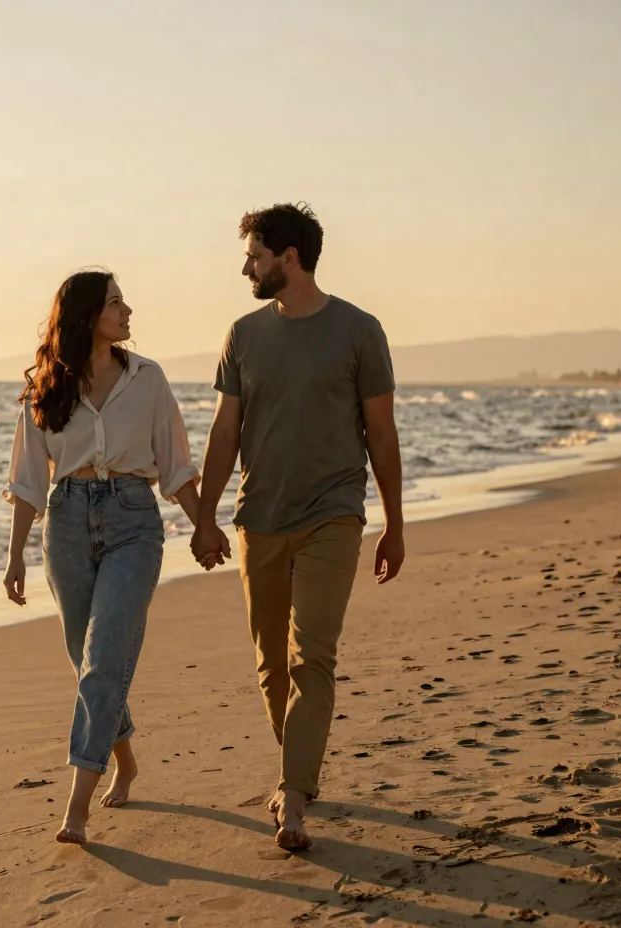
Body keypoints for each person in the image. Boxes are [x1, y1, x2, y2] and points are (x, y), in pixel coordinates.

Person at [190, 203, 404, 852]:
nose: (245, 267)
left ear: (289, 258)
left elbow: (381, 433)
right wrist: (204, 516)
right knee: (271, 665)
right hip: (260, 518)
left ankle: (292, 795)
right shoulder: (243, 334)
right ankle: (301, 773)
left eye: (254, 256)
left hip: (333, 516)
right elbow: (226, 433)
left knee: (313, 653)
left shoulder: (360, 331)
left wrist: (395, 524)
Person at [2, 269, 204, 845]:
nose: (128, 310)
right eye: (116, 303)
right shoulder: (48, 384)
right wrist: (15, 556)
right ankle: (126, 759)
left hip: (132, 522)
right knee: (85, 657)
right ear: (89, 315)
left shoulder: (148, 378)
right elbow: (25, 481)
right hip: (64, 524)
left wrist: (204, 527)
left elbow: (176, 465)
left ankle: (76, 808)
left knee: (104, 658)